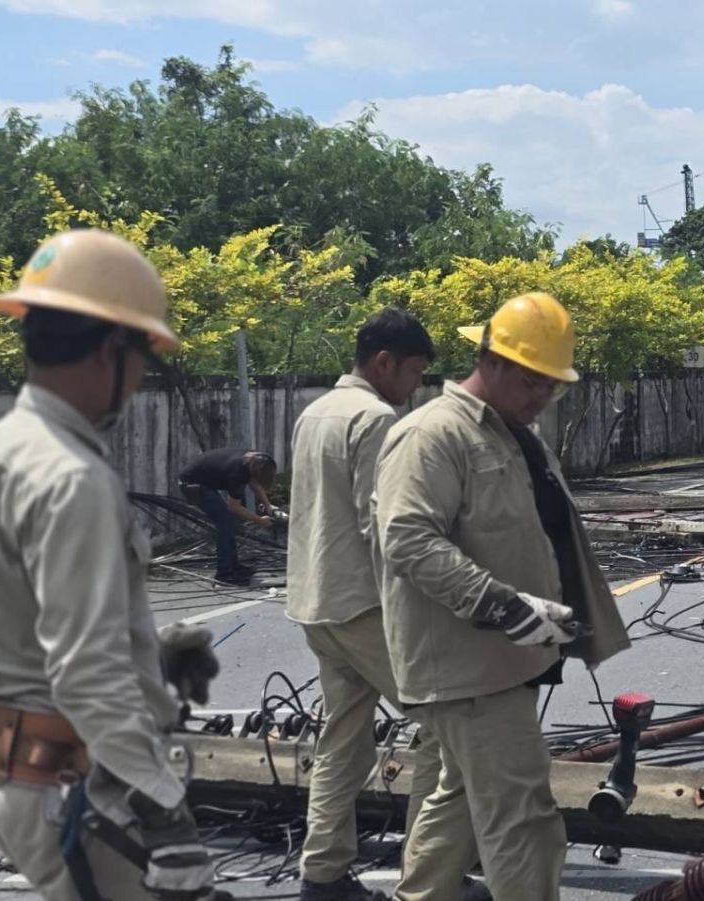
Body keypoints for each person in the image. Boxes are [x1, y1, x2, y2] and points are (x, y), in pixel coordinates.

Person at [0, 230, 221, 901]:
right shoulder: (74, 477)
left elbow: (26, 613)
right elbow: (85, 670)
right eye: (142, 359)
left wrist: (150, 654)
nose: (137, 382)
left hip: (16, 771)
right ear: (112, 349)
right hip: (76, 783)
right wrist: (165, 811)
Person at [376, 292, 630, 901]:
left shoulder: (514, 435)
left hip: (504, 660)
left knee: (459, 799)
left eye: (552, 385)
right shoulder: (434, 434)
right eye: (531, 381)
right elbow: (407, 539)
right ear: (490, 360)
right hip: (468, 669)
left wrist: (561, 618)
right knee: (524, 820)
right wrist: (507, 607)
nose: (541, 395)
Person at [286, 308, 478, 901]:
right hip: (366, 607)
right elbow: (385, 527)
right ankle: (431, 879)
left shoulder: (317, 411)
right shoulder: (375, 419)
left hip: (316, 602)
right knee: (452, 731)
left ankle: (323, 875)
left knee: (344, 739)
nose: (416, 387)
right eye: (415, 372)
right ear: (384, 362)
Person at [177, 447, 278, 586]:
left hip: (203, 481)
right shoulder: (238, 473)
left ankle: (234, 566)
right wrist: (259, 520)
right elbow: (234, 507)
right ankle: (224, 573)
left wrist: (268, 506)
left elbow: (254, 483)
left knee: (228, 523)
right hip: (192, 485)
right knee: (224, 523)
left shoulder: (252, 459)